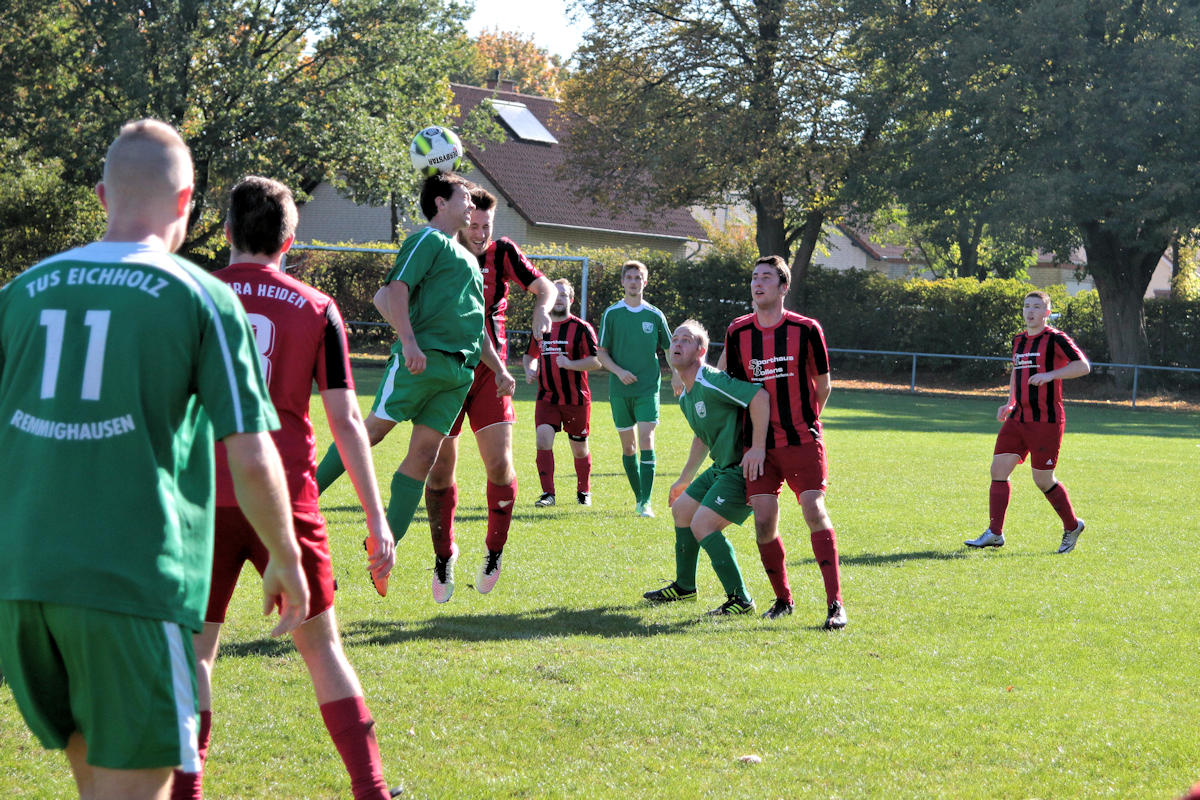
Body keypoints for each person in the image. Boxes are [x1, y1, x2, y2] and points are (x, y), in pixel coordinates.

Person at [0, 119, 308, 800]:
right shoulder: (199, 296)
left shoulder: (21, 291)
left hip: (22, 585)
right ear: (187, 201)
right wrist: (284, 553)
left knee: (97, 781)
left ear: (103, 195)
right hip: (127, 584)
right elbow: (252, 451)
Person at [169, 177, 399, 800]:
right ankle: (372, 790)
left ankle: (186, 792)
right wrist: (377, 518)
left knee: (194, 657)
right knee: (322, 649)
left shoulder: (189, 294)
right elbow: (348, 420)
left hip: (199, 501)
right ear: (290, 241)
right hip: (286, 498)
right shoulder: (317, 307)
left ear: (224, 233)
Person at [314, 171, 484, 604]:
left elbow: (473, 322)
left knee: (424, 457)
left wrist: (497, 370)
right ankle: (304, 495)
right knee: (370, 432)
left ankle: (382, 547)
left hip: (456, 374)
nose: (471, 205)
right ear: (440, 203)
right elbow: (393, 290)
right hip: (419, 361)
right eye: (464, 198)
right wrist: (408, 341)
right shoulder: (426, 240)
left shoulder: (466, 255)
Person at [423, 186, 554, 597]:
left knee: (499, 464)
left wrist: (541, 307)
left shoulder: (504, 252)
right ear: (461, 220)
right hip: (447, 370)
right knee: (440, 470)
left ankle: (494, 551)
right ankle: (444, 556)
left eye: (486, 226)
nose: (480, 233)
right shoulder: (441, 251)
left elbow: (544, 287)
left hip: (490, 375)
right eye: (474, 224)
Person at [719, 255, 847, 628]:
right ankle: (782, 599)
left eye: (766, 278)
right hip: (757, 445)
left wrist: (806, 421)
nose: (758, 284)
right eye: (754, 278)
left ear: (783, 286)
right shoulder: (738, 331)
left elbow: (823, 385)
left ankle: (835, 604)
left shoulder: (806, 329)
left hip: (801, 440)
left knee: (813, 509)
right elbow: (732, 387)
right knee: (763, 521)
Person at [642, 321, 768, 615]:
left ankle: (741, 599)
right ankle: (685, 587)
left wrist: (758, 449)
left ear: (701, 351)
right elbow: (702, 436)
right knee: (682, 510)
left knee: (702, 524)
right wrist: (685, 478)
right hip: (721, 467)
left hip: (743, 470)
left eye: (686, 340)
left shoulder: (711, 380)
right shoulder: (687, 395)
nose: (677, 344)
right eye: (675, 338)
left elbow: (759, 397)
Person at [966, 290, 1090, 553]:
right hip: (1018, 417)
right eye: (1026, 306)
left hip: (1046, 420)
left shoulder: (1055, 339)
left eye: (1036, 307)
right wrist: (1009, 401)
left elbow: (1083, 366)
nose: (1030, 311)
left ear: (1046, 312)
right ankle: (995, 533)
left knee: (1043, 480)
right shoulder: (1019, 340)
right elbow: (1016, 372)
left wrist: (1051, 375)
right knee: (998, 471)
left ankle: (1072, 525)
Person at [596, 260, 672, 517]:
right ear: (622, 282)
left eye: (638, 277)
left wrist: (679, 377)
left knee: (646, 440)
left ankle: (646, 502)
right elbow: (602, 353)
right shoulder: (612, 314)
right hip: (619, 390)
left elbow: (669, 349)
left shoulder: (655, 315)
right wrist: (619, 371)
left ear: (645, 282)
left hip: (648, 387)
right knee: (629, 448)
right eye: (629, 277)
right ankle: (639, 498)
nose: (633, 281)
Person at [522, 278, 601, 507]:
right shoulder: (540, 326)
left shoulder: (582, 328)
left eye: (564, 295)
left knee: (579, 448)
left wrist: (570, 364)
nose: (559, 299)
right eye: (555, 294)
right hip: (547, 397)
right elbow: (530, 355)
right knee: (543, 440)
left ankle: (583, 491)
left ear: (571, 299)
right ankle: (548, 495)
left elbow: (596, 361)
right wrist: (530, 369)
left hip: (576, 399)